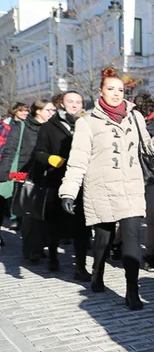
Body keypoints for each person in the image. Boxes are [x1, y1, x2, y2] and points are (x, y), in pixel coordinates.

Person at [58, 69, 154, 308]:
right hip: (101, 188)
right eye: (111, 89)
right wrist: (68, 191)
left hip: (131, 186)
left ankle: (132, 289)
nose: (116, 94)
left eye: (120, 90)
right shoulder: (86, 123)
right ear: (100, 91)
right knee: (103, 239)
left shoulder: (135, 117)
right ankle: (97, 270)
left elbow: (147, 148)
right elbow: (78, 160)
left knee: (131, 236)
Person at [31, 90, 91, 279]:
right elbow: (38, 153)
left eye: (78, 102)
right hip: (57, 182)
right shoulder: (49, 127)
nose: (75, 105)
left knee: (82, 226)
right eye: (70, 101)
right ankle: (53, 257)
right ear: (62, 104)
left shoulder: (88, 124)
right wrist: (51, 159)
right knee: (55, 225)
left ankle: (80, 267)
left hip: (83, 182)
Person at [15, 99, 54, 262]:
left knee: (44, 214)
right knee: (30, 214)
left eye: (54, 110)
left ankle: (40, 246)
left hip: (47, 174)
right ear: (38, 111)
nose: (53, 113)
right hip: (27, 175)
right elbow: (11, 150)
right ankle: (31, 250)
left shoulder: (52, 128)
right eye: (49, 110)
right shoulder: (24, 127)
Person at [132, 93, 154, 272]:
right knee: (133, 218)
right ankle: (118, 246)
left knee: (152, 218)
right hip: (134, 177)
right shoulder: (128, 125)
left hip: (151, 177)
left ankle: (150, 255)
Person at [0, 103, 34, 236]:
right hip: (7, 161)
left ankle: (16, 217)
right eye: (22, 111)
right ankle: (13, 217)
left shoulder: (29, 126)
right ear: (15, 112)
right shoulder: (6, 126)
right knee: (5, 193)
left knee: (18, 190)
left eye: (26, 111)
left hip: (21, 162)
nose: (25, 113)